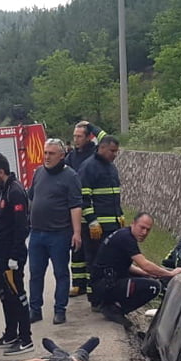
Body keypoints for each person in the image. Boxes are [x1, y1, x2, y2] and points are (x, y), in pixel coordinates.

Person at [89, 213, 181, 329]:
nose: (144, 232)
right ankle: (114, 309)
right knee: (154, 287)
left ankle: (110, 304)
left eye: (148, 230)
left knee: (147, 278)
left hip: (102, 283)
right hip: (103, 286)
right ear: (133, 224)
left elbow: (125, 266)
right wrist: (170, 273)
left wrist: (147, 273)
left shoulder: (124, 234)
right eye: (142, 228)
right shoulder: (126, 238)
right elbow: (145, 264)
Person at [26, 138, 83, 326]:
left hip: (59, 233)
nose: (47, 157)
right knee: (35, 273)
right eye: (45, 153)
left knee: (61, 273)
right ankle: (35, 310)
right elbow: (32, 196)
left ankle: (60, 310)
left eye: (51, 153)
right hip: (37, 233)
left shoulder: (71, 176)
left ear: (61, 155)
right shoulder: (39, 172)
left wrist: (76, 232)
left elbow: (75, 206)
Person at [0, 152, 33, 355]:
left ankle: (26, 338)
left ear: (0, 172)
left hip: (13, 255)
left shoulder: (15, 191)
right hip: (2, 252)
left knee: (16, 294)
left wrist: (14, 255)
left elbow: (21, 226)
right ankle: (11, 333)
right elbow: (5, 217)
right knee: (5, 294)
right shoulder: (3, 189)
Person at [76, 135, 126, 308]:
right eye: (112, 151)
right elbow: (83, 197)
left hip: (112, 225)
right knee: (96, 264)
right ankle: (95, 299)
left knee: (112, 262)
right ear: (102, 148)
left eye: (116, 152)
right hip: (95, 229)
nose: (114, 155)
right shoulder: (89, 167)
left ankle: (109, 296)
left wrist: (120, 214)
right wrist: (92, 221)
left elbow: (114, 195)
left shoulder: (111, 168)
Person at [65, 121, 103, 297]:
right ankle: (77, 283)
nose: (76, 139)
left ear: (89, 137)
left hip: (91, 208)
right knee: (76, 248)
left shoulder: (96, 153)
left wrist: (91, 125)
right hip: (75, 208)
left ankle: (90, 285)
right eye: (74, 136)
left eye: (79, 136)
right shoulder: (71, 156)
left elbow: (108, 139)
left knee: (91, 249)